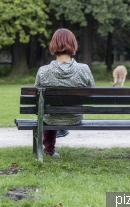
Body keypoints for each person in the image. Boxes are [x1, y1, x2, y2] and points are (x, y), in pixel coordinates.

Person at [34, 28, 95, 158]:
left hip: (51, 119)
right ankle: (61, 128)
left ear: (53, 45)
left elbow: (36, 99)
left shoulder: (43, 71)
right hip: (74, 117)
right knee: (52, 112)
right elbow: (92, 92)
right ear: (73, 45)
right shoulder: (84, 69)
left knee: (47, 113)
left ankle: (49, 149)